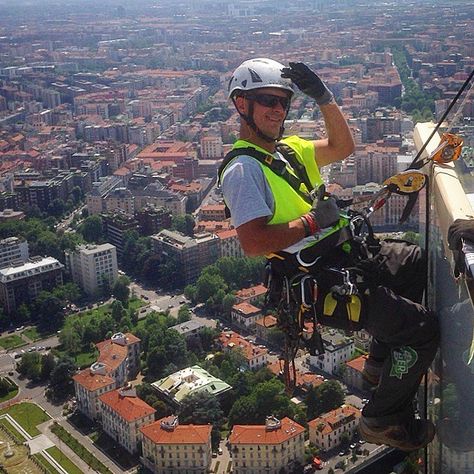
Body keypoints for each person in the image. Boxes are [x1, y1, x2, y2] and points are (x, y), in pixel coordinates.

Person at [219, 58, 439, 451]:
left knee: (415, 262)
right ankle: (382, 418)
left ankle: (377, 363)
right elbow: (253, 242)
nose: (277, 109)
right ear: (241, 105)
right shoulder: (243, 169)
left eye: (283, 101)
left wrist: (323, 97)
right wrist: (310, 222)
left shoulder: (290, 150)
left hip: (346, 257)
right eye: (267, 100)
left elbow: (343, 146)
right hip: (322, 280)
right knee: (421, 332)